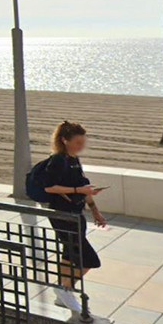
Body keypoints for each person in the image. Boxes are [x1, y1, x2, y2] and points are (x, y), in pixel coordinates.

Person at [41, 121, 107, 314]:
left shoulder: (74, 160)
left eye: (83, 142)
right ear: (64, 140)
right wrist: (78, 190)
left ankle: (62, 294)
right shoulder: (58, 160)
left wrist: (95, 210)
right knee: (90, 260)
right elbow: (49, 187)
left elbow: (84, 187)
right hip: (62, 215)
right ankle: (65, 289)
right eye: (78, 142)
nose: (81, 146)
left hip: (75, 214)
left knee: (69, 255)